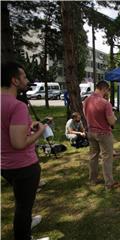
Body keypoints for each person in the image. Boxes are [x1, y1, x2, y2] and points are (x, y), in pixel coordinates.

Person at [1, 62, 47, 240]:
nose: (27, 80)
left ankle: (26, 222)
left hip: (4, 165)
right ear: (14, 80)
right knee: (23, 206)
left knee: (21, 203)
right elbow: (19, 143)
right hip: (23, 165)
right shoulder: (17, 106)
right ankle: (24, 234)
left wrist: (28, 126)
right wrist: (40, 131)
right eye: (24, 77)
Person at [83, 80, 120, 190]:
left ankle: (92, 179)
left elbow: (85, 115)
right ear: (104, 89)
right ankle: (109, 183)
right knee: (107, 158)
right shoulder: (105, 103)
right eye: (107, 91)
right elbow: (111, 122)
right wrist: (114, 118)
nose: (106, 93)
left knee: (93, 156)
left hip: (91, 131)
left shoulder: (86, 101)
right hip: (104, 133)